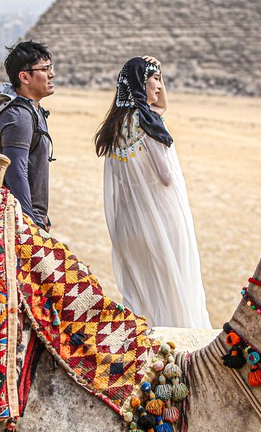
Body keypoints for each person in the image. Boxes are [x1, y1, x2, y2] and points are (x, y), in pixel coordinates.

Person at [93, 56, 210, 328]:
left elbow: (160, 104)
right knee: (171, 285)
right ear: (138, 83)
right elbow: (166, 177)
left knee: (140, 291)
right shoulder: (149, 124)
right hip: (158, 219)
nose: (159, 86)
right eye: (154, 79)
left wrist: (158, 74)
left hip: (129, 223)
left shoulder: (114, 125)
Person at [0, 40, 55, 230]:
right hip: (18, 223)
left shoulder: (35, 110)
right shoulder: (19, 116)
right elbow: (16, 172)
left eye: (51, 67)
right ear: (24, 77)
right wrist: (31, 223)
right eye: (45, 69)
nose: (52, 74)